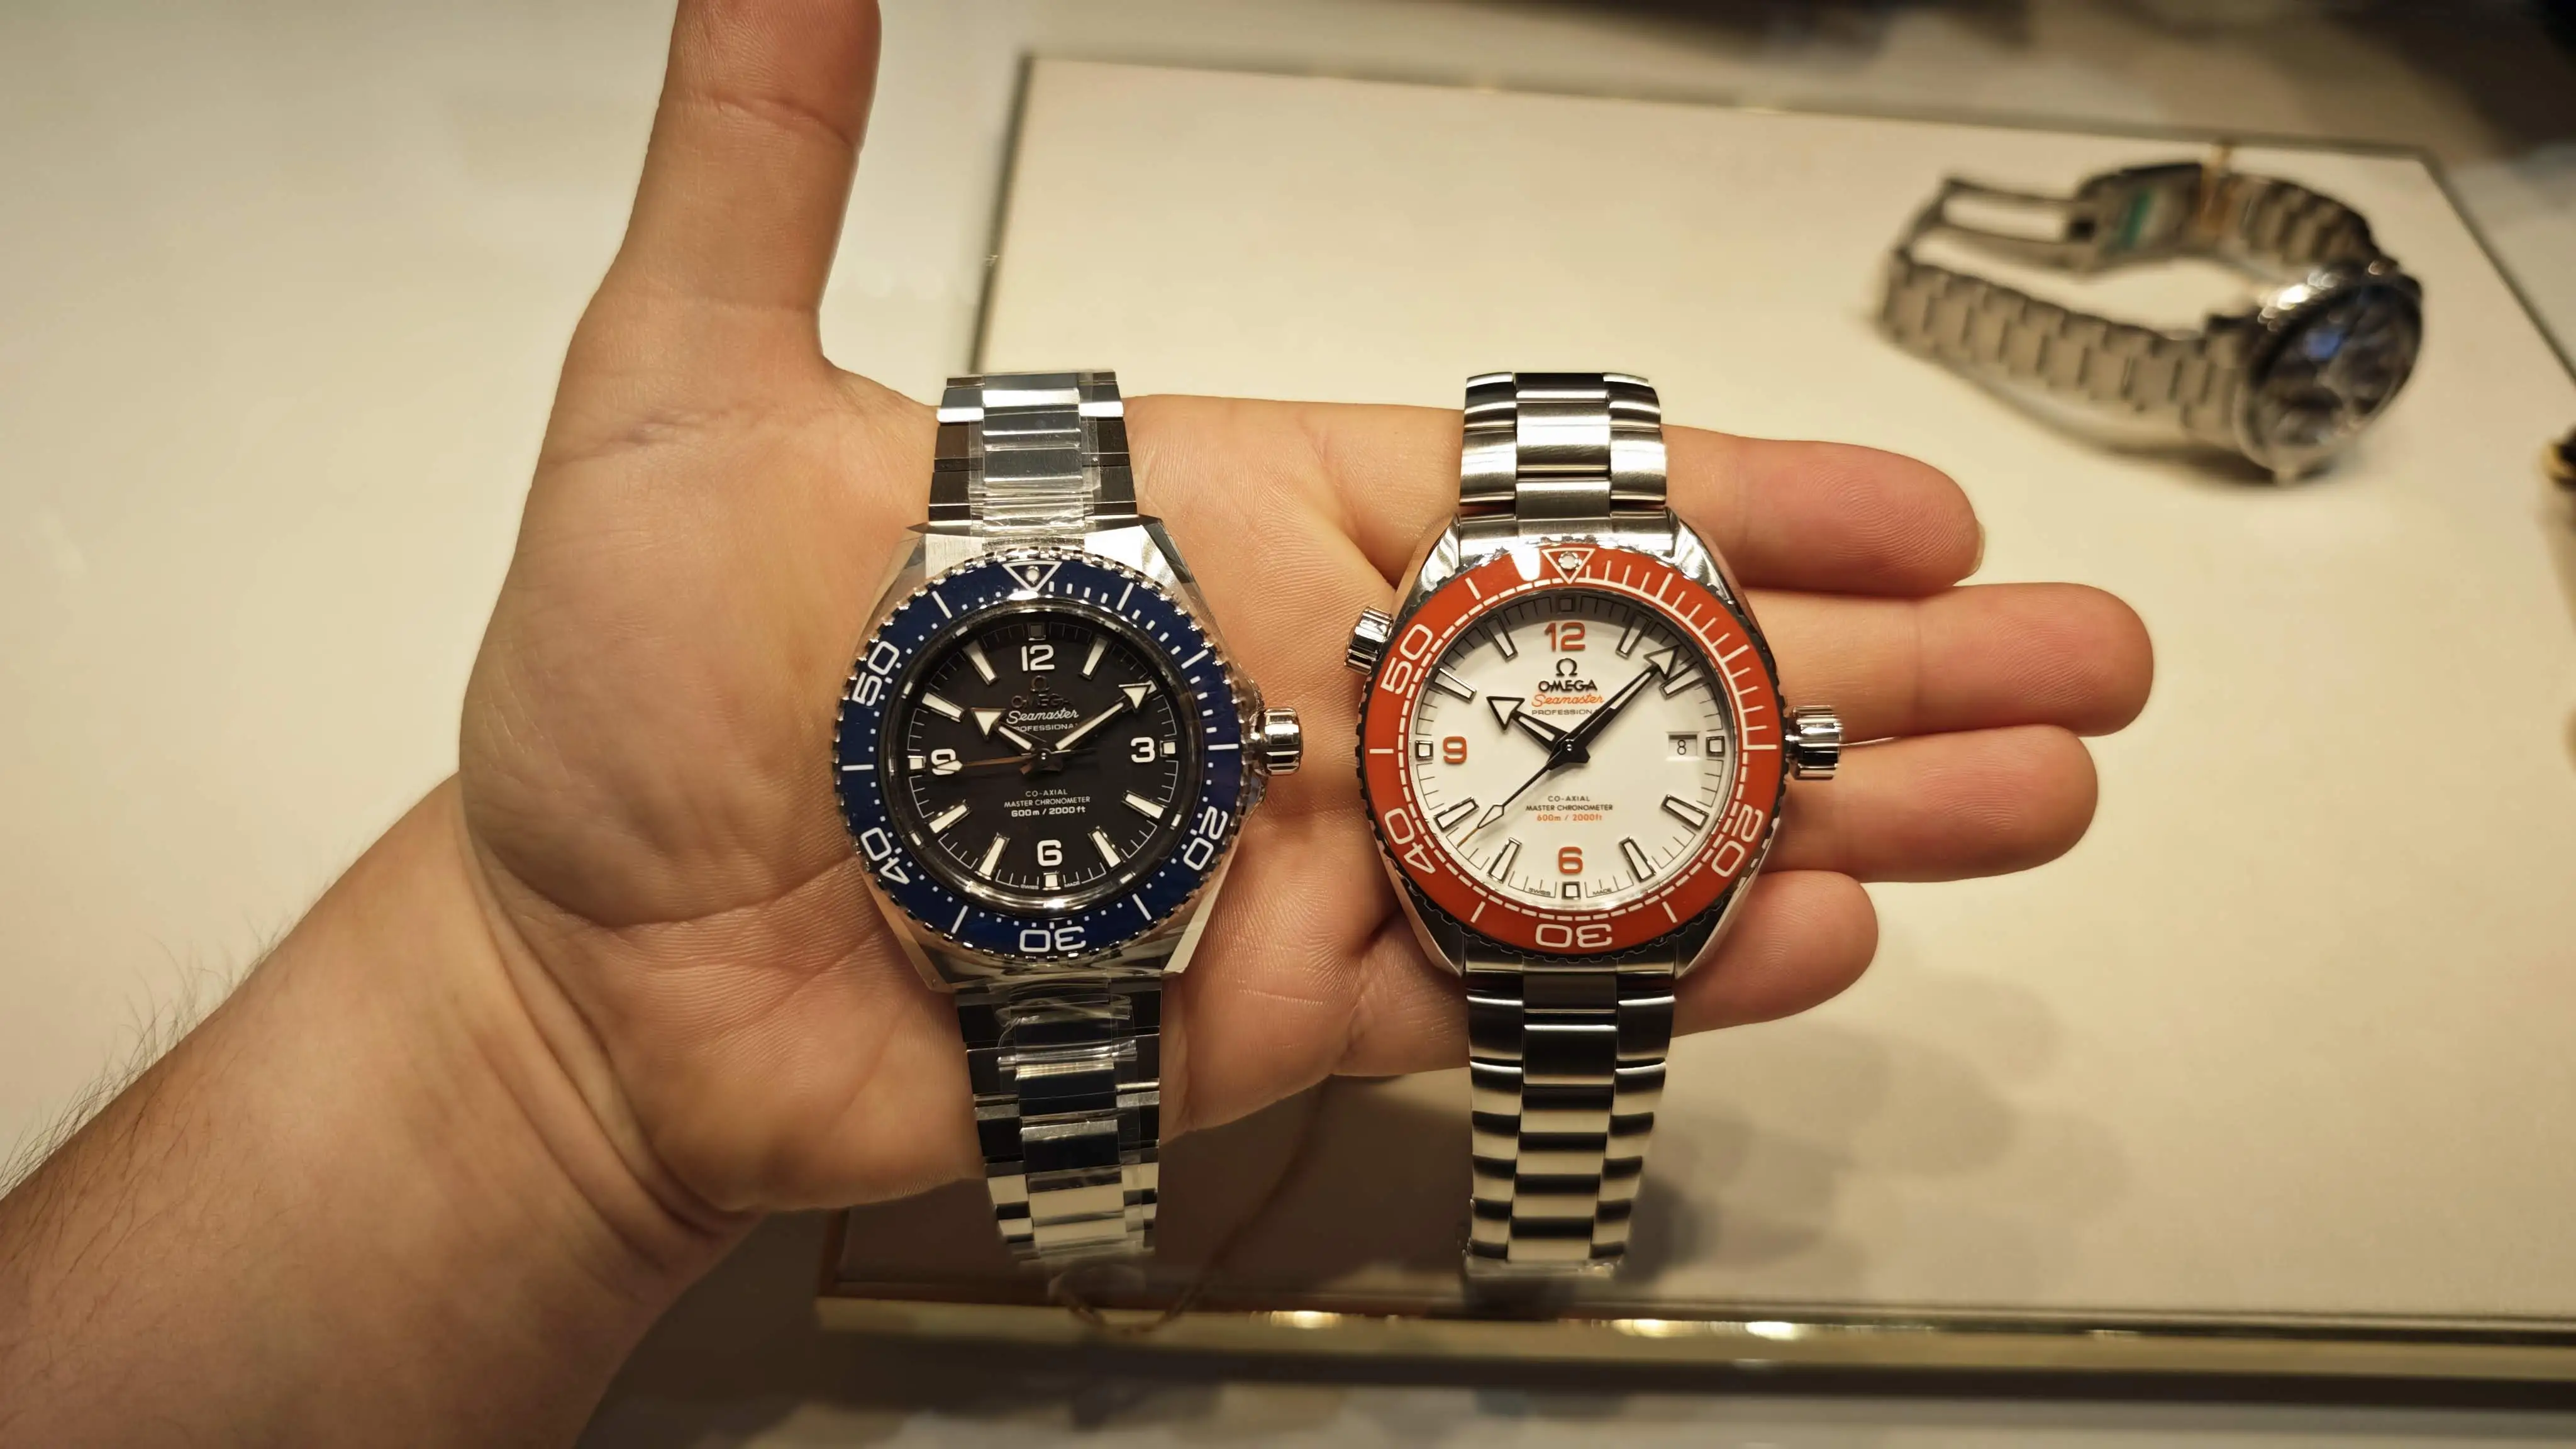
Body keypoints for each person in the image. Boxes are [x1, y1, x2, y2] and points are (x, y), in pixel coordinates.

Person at [0, 0, 2151, 1441]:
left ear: (1772, 752)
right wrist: (524, 1018)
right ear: (1313, 731)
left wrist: (517, 1050)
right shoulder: (1185, 721)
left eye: (1652, 742)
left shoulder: (1409, 728)